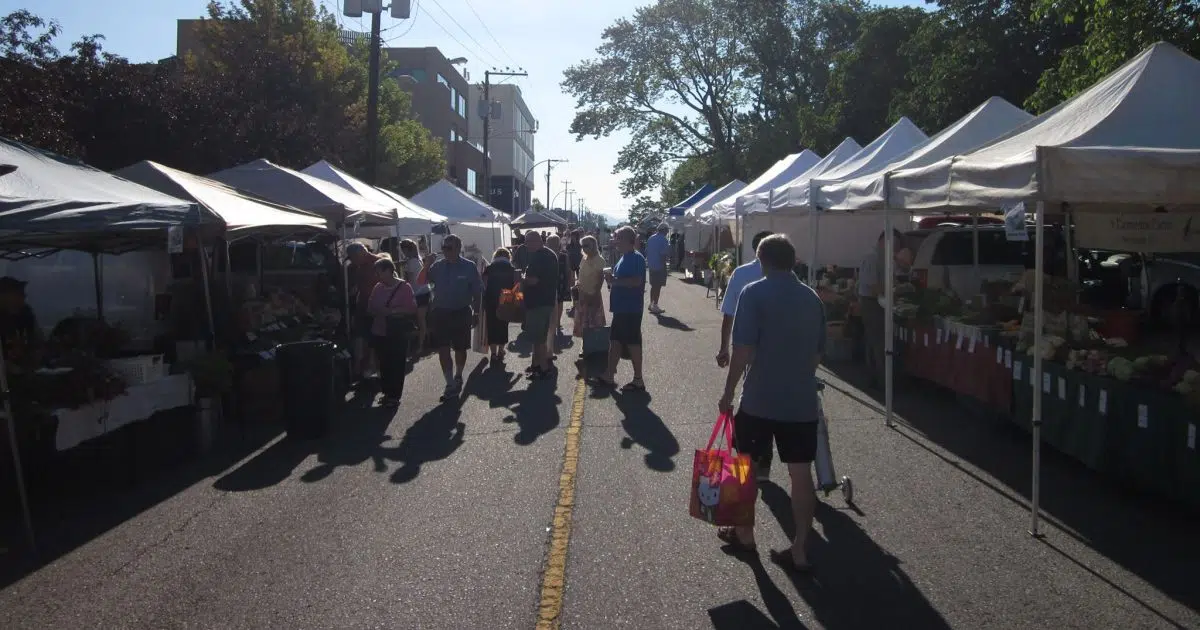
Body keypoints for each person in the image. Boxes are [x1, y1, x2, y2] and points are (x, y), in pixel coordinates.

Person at [717, 234, 825, 573]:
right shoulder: (812, 298)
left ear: (762, 260)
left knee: (744, 465)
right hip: (802, 400)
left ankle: (745, 534)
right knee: (800, 473)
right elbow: (818, 353)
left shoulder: (754, 293)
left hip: (760, 398)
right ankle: (800, 548)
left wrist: (728, 392)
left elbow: (743, 350)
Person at [716, 230, 775, 481]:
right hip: (779, 354)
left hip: (749, 351)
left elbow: (729, 313)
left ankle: (750, 467)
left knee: (750, 408)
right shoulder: (791, 278)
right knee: (769, 407)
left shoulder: (741, 274)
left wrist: (723, 347)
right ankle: (763, 462)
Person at [423, 235, 482, 401]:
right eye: (444, 247)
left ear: (458, 249)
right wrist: (426, 265)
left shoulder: (469, 267)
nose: (445, 251)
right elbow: (421, 281)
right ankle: (449, 383)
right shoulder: (437, 266)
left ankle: (458, 374)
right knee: (442, 348)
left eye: (449, 248)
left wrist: (476, 313)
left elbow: (477, 292)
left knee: (460, 349)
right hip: (440, 312)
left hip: (461, 311)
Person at [592, 226, 647, 392]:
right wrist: (611, 280)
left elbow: (636, 281)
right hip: (621, 308)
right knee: (615, 341)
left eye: (618, 238)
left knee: (632, 343)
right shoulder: (624, 257)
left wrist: (614, 281)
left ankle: (638, 379)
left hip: (630, 309)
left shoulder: (636, 257)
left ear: (628, 240)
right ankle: (609, 374)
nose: (615, 241)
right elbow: (621, 280)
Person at [367, 258, 417, 407]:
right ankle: (387, 392)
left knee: (396, 362)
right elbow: (370, 306)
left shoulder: (404, 287)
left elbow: (411, 308)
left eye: (379, 272)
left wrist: (393, 311)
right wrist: (377, 311)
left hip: (397, 330)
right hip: (380, 330)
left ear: (388, 270)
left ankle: (394, 395)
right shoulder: (378, 287)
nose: (377, 276)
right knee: (384, 363)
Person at [858, 229, 904, 387]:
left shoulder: (888, 258)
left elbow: (892, 280)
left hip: (882, 301)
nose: (896, 248)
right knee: (878, 342)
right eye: (895, 243)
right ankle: (882, 381)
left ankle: (879, 378)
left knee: (879, 342)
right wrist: (892, 292)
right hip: (871, 302)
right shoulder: (872, 257)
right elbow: (873, 286)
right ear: (883, 241)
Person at [521, 231, 558, 379]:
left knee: (538, 339)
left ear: (537, 241)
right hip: (547, 301)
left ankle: (543, 368)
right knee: (539, 336)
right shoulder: (550, 254)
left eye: (528, 241)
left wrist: (522, 278)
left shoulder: (539, 256)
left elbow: (533, 280)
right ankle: (536, 365)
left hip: (538, 302)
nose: (525, 244)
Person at [347, 243, 383, 379]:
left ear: (361, 254)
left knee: (376, 339)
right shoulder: (358, 266)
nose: (353, 261)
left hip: (377, 308)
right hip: (363, 306)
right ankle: (365, 367)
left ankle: (377, 369)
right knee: (362, 337)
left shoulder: (378, 264)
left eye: (353, 258)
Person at [572, 235, 607, 355]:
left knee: (593, 323)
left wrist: (594, 296)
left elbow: (600, 281)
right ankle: (585, 345)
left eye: (586, 245)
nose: (584, 248)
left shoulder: (599, 260)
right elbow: (580, 275)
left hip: (592, 295)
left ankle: (595, 346)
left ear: (594, 245)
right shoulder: (584, 258)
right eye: (582, 246)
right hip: (582, 295)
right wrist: (577, 283)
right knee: (583, 322)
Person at [482, 248, 518, 362]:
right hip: (506, 300)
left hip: (490, 299)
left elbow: (484, 285)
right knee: (503, 325)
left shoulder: (489, 269)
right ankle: (501, 350)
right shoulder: (512, 269)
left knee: (491, 325)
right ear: (508, 257)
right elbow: (516, 286)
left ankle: (493, 353)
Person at [0, 277, 40, 370]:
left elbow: (37, 343)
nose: (23, 297)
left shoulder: (25, 314)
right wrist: (4, 364)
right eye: (18, 294)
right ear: (3, 296)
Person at [398, 239, 430, 357]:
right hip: (423, 292)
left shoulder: (412, 262)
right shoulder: (418, 259)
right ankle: (422, 343)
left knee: (420, 320)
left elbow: (408, 280)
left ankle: (421, 345)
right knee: (421, 320)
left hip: (418, 293)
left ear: (407, 249)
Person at [546, 234, 573, 352]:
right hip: (559, 281)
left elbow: (568, 269)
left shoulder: (555, 255)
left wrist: (569, 281)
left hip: (555, 281)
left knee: (556, 302)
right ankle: (556, 322)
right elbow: (568, 270)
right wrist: (569, 281)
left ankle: (555, 322)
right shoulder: (561, 255)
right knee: (559, 302)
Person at [645, 223, 671, 314]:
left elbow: (647, 251)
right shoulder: (664, 240)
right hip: (659, 265)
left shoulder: (651, 238)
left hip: (651, 265)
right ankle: (655, 305)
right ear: (663, 230)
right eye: (667, 229)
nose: (668, 231)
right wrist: (665, 267)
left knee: (653, 286)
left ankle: (651, 304)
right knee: (658, 286)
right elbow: (663, 255)